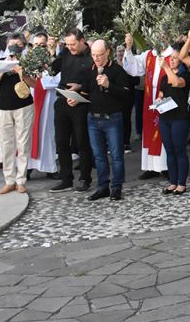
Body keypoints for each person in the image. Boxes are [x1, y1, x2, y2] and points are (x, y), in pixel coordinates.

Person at [73, 39, 132, 201]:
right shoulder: (90, 70)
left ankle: (116, 187)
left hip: (112, 118)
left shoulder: (117, 71)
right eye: (93, 55)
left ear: (107, 52)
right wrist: (75, 98)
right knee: (98, 156)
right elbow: (86, 92)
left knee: (116, 155)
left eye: (99, 55)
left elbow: (126, 94)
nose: (96, 58)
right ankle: (102, 186)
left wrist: (108, 85)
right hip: (93, 118)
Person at [48, 28, 95, 192]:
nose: (70, 47)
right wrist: (52, 51)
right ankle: (66, 178)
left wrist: (80, 88)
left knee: (82, 142)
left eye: (73, 44)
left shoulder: (91, 57)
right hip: (62, 99)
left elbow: (95, 81)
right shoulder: (65, 53)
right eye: (67, 44)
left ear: (82, 41)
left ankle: (85, 178)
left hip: (81, 102)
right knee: (61, 142)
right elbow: (52, 70)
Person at [0, 34, 35, 194]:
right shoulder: (0, 61)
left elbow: (35, 84)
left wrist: (23, 73)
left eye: (17, 43)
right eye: (11, 43)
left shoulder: (28, 62)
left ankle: (21, 180)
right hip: (3, 106)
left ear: (23, 45)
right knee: (6, 144)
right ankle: (9, 180)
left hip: (24, 105)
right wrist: (5, 67)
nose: (14, 46)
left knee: (23, 143)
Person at [122, 32, 170, 180]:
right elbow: (133, 68)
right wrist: (128, 48)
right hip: (150, 97)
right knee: (149, 129)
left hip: (166, 96)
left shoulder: (171, 54)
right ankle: (152, 167)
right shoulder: (149, 55)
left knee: (165, 130)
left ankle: (167, 166)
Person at [157, 44, 190, 195]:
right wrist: (158, 100)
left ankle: (182, 183)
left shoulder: (186, 75)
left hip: (180, 117)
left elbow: (177, 83)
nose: (171, 60)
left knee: (179, 150)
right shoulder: (165, 77)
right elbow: (161, 93)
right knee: (169, 150)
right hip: (165, 117)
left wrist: (165, 67)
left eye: (175, 58)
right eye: (170, 58)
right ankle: (172, 181)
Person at [27, 33, 59, 177]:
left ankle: (49, 167)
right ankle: (26, 167)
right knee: (27, 134)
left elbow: (58, 79)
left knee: (47, 133)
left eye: (42, 45)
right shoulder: (27, 61)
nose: (39, 48)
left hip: (47, 101)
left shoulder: (54, 61)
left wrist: (40, 80)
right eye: (36, 45)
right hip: (28, 101)